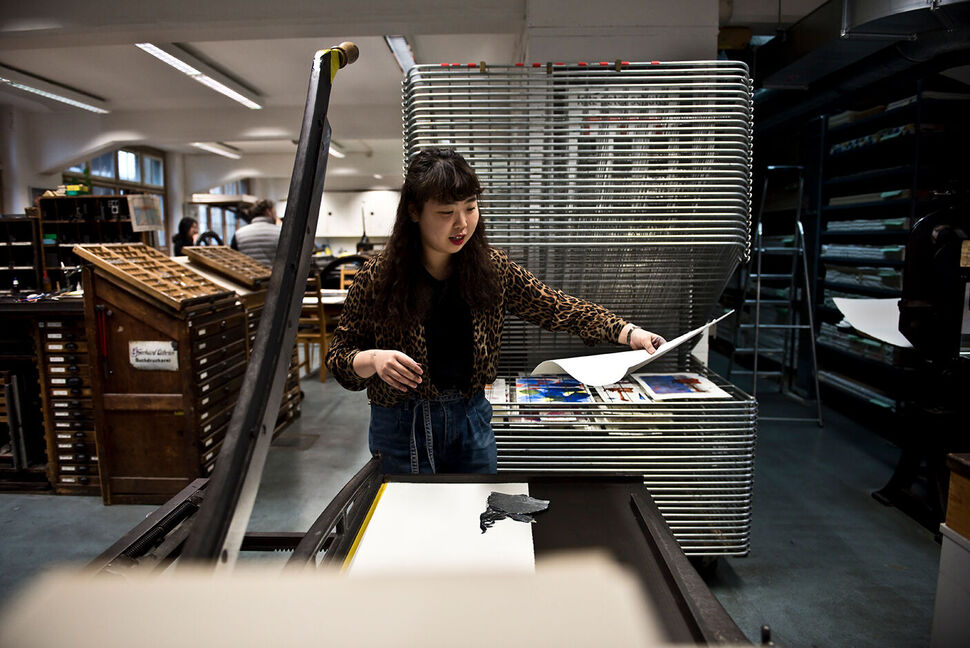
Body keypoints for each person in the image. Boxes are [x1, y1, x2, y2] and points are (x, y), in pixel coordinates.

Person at [325, 148, 665, 475]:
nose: (461, 224)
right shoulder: (378, 276)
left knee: (478, 521)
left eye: (471, 208)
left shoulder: (490, 268)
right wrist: (372, 360)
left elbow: (554, 306)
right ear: (414, 212)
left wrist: (626, 332)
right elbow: (339, 356)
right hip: (401, 423)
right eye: (446, 212)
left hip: (469, 419)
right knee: (411, 524)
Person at [231, 199, 281, 266]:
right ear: (268, 212)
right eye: (274, 212)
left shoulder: (238, 234)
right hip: (275, 276)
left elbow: (233, 261)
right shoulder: (281, 232)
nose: (276, 215)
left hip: (247, 276)